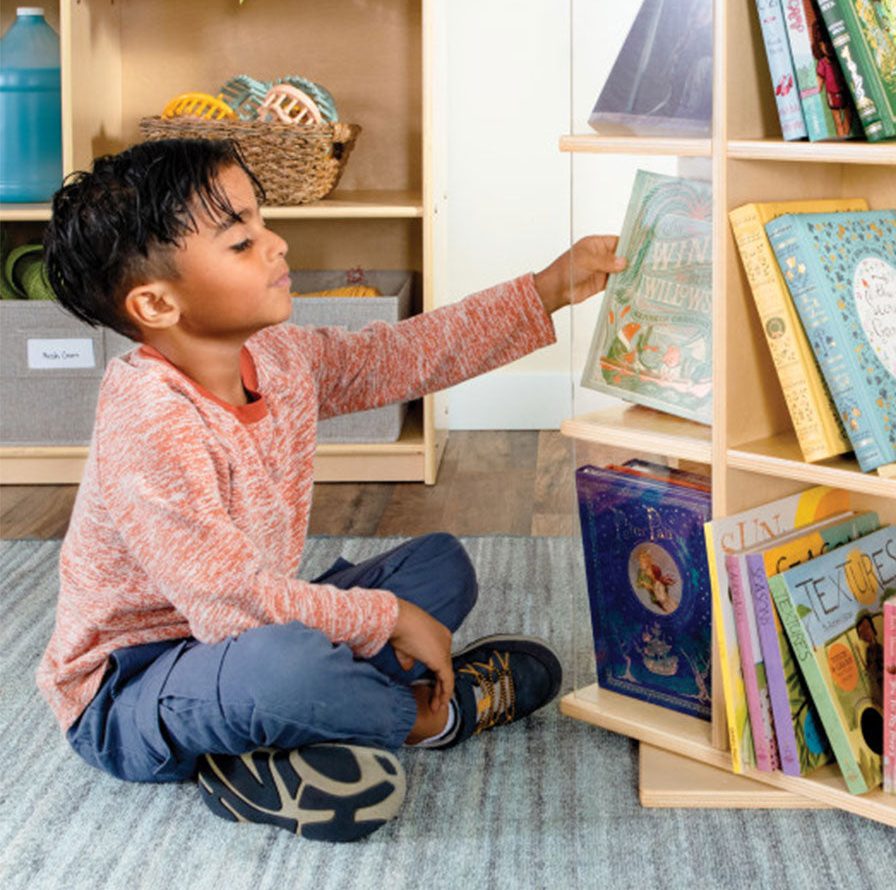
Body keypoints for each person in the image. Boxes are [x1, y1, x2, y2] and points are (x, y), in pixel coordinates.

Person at [36, 138, 626, 844]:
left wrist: (549, 287)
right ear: (158, 302)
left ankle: (282, 743)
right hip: (133, 687)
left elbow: (404, 355)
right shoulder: (149, 416)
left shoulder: (280, 357)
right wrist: (386, 620)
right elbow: (230, 606)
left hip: (243, 630)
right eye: (241, 241)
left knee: (440, 565)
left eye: (263, 223)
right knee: (290, 664)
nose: (277, 245)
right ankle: (432, 716)